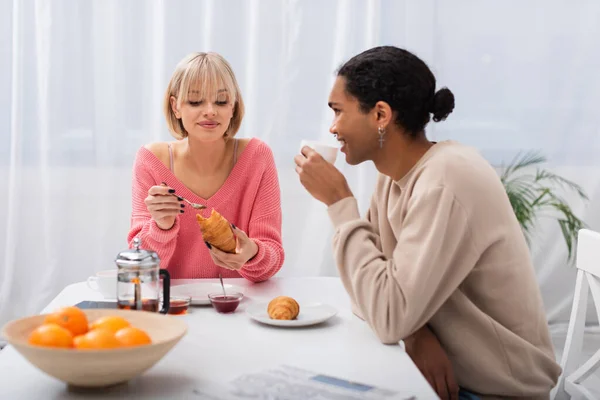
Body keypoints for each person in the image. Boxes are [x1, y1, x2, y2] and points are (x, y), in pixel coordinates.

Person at [294, 46, 561, 399]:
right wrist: (416, 333)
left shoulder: (445, 179)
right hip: (442, 374)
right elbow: (369, 295)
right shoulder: (394, 176)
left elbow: (385, 315)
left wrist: (340, 203)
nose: (333, 127)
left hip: (494, 389)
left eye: (338, 111)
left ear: (380, 115)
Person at [128, 52, 284, 282]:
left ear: (233, 107)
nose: (210, 110)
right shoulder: (151, 161)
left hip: (238, 307)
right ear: (176, 106)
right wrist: (161, 226)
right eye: (195, 101)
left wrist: (252, 253)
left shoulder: (257, 157)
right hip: (173, 307)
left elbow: (272, 259)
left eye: (221, 101)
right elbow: (139, 272)